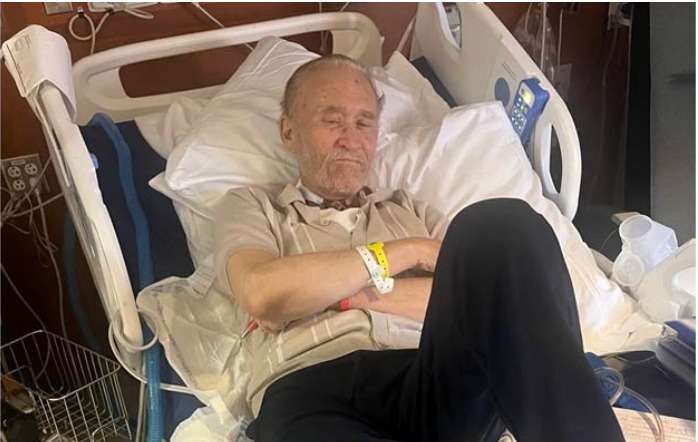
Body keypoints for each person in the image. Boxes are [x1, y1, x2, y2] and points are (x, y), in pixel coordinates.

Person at [213, 54, 625, 442]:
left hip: (431, 376)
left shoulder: (407, 209)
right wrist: (408, 252)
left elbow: (485, 298)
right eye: (332, 121)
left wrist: (336, 295)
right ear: (288, 131)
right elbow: (263, 293)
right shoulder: (255, 207)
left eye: (364, 123)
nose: (351, 140)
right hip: (308, 386)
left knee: (503, 224)